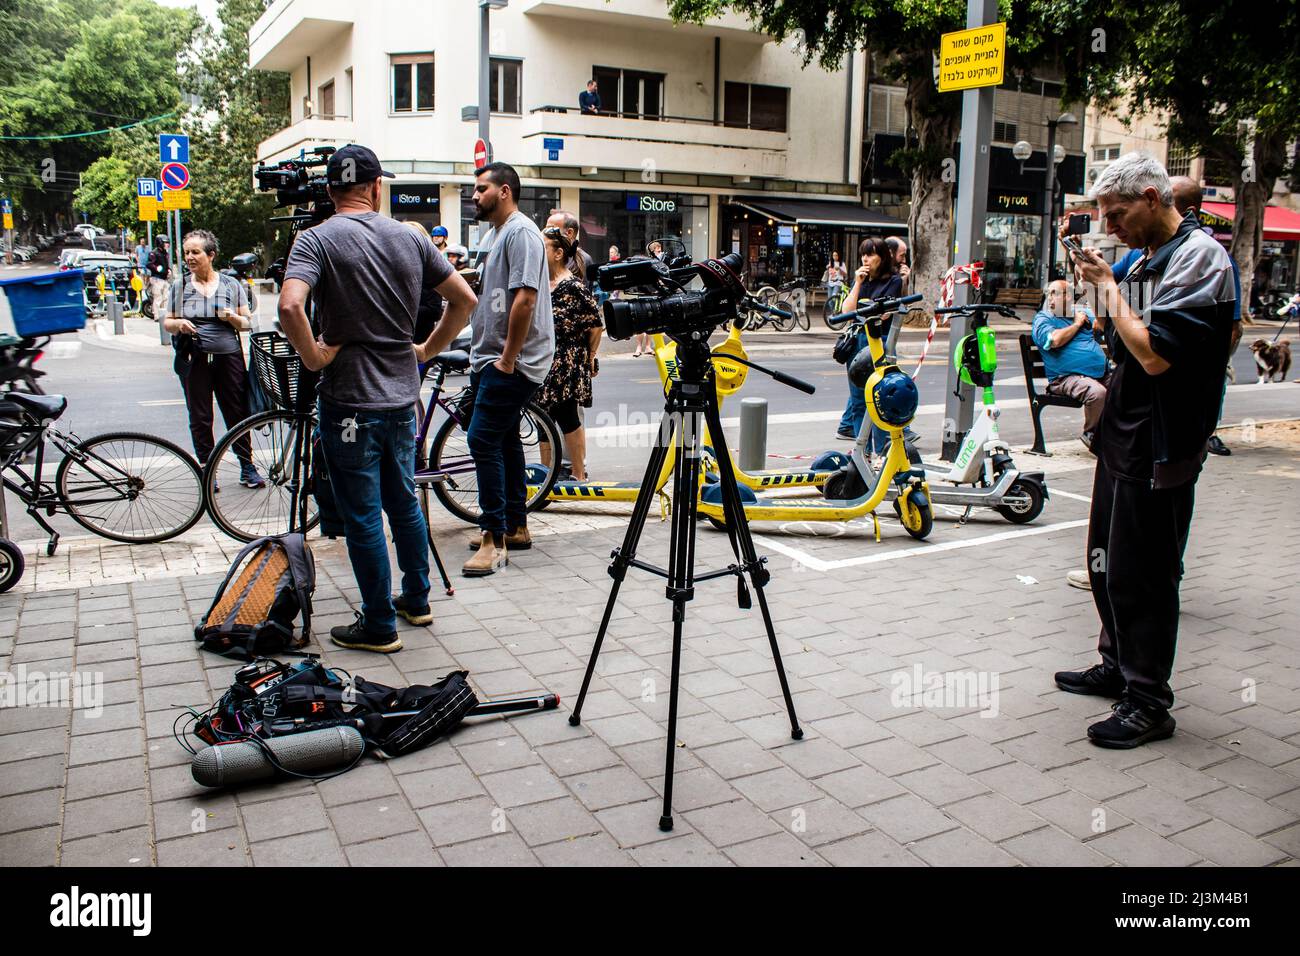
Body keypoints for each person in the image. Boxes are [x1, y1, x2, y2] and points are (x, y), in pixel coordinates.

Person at [1054, 152, 1235, 748]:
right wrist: (1100, 287)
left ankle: (1149, 700)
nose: (1112, 225)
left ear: (1154, 199)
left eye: (1119, 212)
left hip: (1164, 438)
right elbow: (1117, 336)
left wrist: (1110, 287)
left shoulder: (1202, 258)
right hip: (1125, 430)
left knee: (1145, 572)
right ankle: (1118, 664)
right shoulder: (1145, 257)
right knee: (1106, 558)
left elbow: (1156, 353)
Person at [279, 144, 478, 652]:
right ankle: (416, 597)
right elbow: (465, 300)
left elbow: (289, 306)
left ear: (330, 192)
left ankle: (378, 624)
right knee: (403, 500)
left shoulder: (314, 240)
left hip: (348, 401)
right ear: (375, 187)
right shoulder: (410, 237)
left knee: (364, 513)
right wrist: (427, 350)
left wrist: (314, 357)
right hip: (400, 400)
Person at [462, 161, 555, 576]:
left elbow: (525, 300)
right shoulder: (498, 233)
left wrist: (507, 359)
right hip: (494, 356)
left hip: (510, 361)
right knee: (503, 443)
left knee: (481, 441)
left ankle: (493, 539)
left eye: (481, 189)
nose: (474, 196)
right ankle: (515, 525)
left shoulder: (520, 232)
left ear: (504, 191)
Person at [162, 229, 265, 491]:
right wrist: (180, 324)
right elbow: (168, 322)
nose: (190, 258)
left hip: (228, 357)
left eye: (195, 252)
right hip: (194, 358)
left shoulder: (231, 285)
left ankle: (247, 466)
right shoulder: (180, 286)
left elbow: (246, 323)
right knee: (200, 415)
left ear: (211, 255)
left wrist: (230, 317)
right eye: (187, 253)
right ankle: (208, 468)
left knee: (236, 412)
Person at [1171, 176, 1241, 456]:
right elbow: (1106, 287)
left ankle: (1207, 433)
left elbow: (1232, 325)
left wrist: (1217, 365)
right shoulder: (1144, 257)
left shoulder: (1212, 256)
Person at [536, 226, 602, 481]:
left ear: (558, 253)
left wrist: (590, 356)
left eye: (544, 246)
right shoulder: (539, 285)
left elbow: (595, 325)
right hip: (542, 359)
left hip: (567, 360)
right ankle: (546, 474)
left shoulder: (573, 287)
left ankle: (578, 473)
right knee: (543, 418)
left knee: (567, 416)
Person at [836, 237, 902, 446]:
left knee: (881, 399)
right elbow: (847, 311)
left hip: (878, 342)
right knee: (858, 401)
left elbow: (884, 313)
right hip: (857, 341)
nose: (866, 259)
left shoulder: (893, 281)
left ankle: (882, 449)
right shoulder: (862, 281)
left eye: (871, 254)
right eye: (863, 254)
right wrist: (857, 283)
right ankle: (861, 449)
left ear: (882, 258)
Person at [1031, 279, 1110, 447]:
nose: (1050, 298)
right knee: (1097, 393)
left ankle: (1119, 435)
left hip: (1101, 374)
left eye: (1054, 293)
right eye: (1048, 294)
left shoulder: (1084, 314)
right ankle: (1092, 434)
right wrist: (1076, 324)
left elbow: (1102, 325)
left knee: (1130, 385)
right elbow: (1055, 340)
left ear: (1068, 297)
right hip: (1065, 378)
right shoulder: (1043, 319)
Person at [545, 209, 595, 289]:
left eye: (551, 229)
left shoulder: (584, 260)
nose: (545, 232)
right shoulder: (547, 254)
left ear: (569, 233)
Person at [146, 235, 171, 320]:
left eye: (168, 243)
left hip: (164, 278)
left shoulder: (165, 253)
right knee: (158, 298)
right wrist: (157, 268)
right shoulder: (154, 253)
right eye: (165, 243)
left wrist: (168, 270)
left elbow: (166, 264)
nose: (167, 244)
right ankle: (157, 316)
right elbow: (149, 264)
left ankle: (164, 315)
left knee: (166, 297)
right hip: (156, 278)